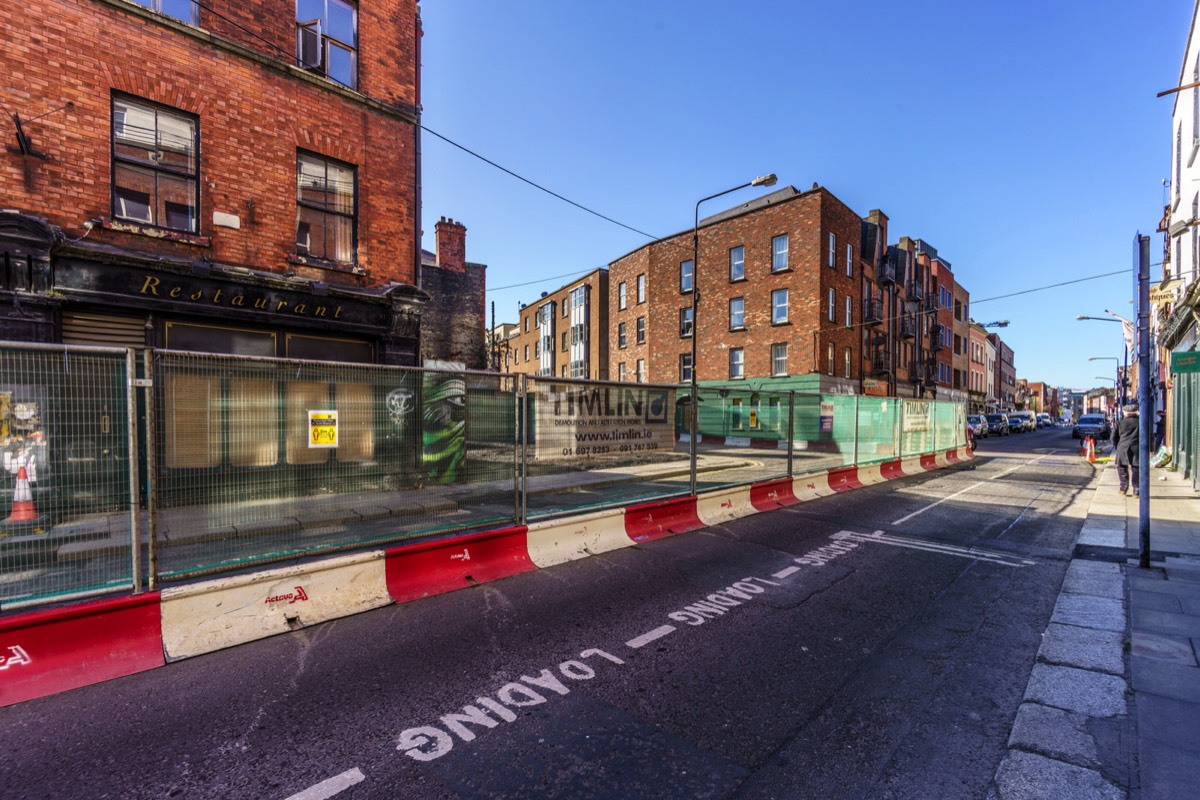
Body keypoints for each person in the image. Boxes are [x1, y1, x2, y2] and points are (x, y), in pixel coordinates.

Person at [1112, 403, 1140, 496]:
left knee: (1122, 468)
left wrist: (1116, 446)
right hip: (1137, 448)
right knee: (1136, 468)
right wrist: (1151, 448)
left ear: (1125, 413)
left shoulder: (1119, 423)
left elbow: (1113, 437)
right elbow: (1149, 436)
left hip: (1122, 447)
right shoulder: (1141, 422)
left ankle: (1123, 488)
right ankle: (1136, 490)